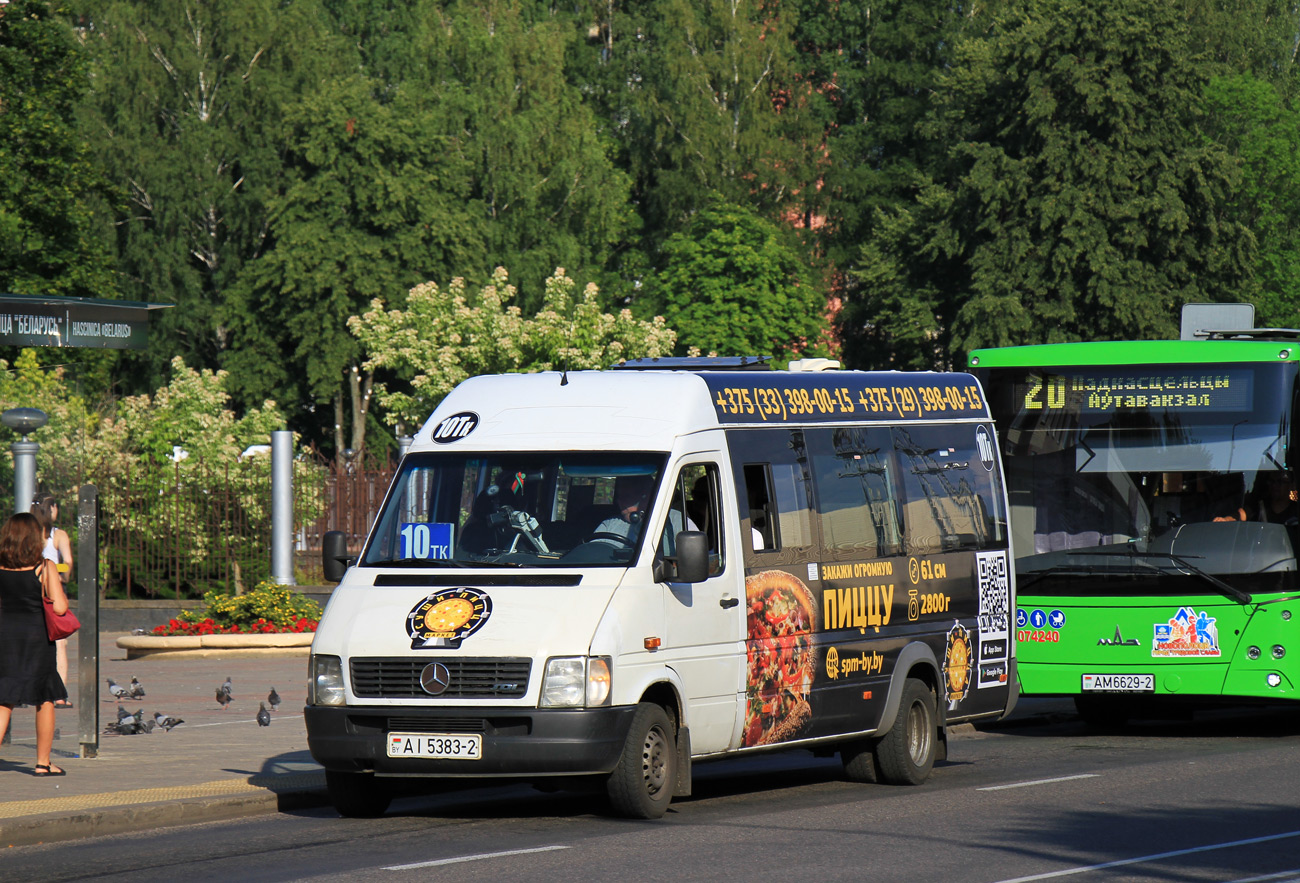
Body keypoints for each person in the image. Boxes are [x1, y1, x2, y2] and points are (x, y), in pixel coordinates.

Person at [0, 512, 70, 776]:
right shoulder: (44, 566)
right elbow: (61, 608)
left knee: (4, 697)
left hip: (6, 636)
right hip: (36, 637)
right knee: (45, 697)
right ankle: (43, 763)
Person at [31, 495, 73, 708]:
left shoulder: (28, 534)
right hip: (53, 589)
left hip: (29, 588)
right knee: (59, 642)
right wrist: (62, 576)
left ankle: (29, 690)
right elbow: (68, 562)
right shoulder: (58, 535)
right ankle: (59, 694)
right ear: (52, 509)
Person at [592, 474, 655, 546]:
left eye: (626, 497)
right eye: (619, 497)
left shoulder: (667, 520)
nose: (620, 502)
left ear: (645, 498)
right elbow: (591, 551)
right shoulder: (610, 524)